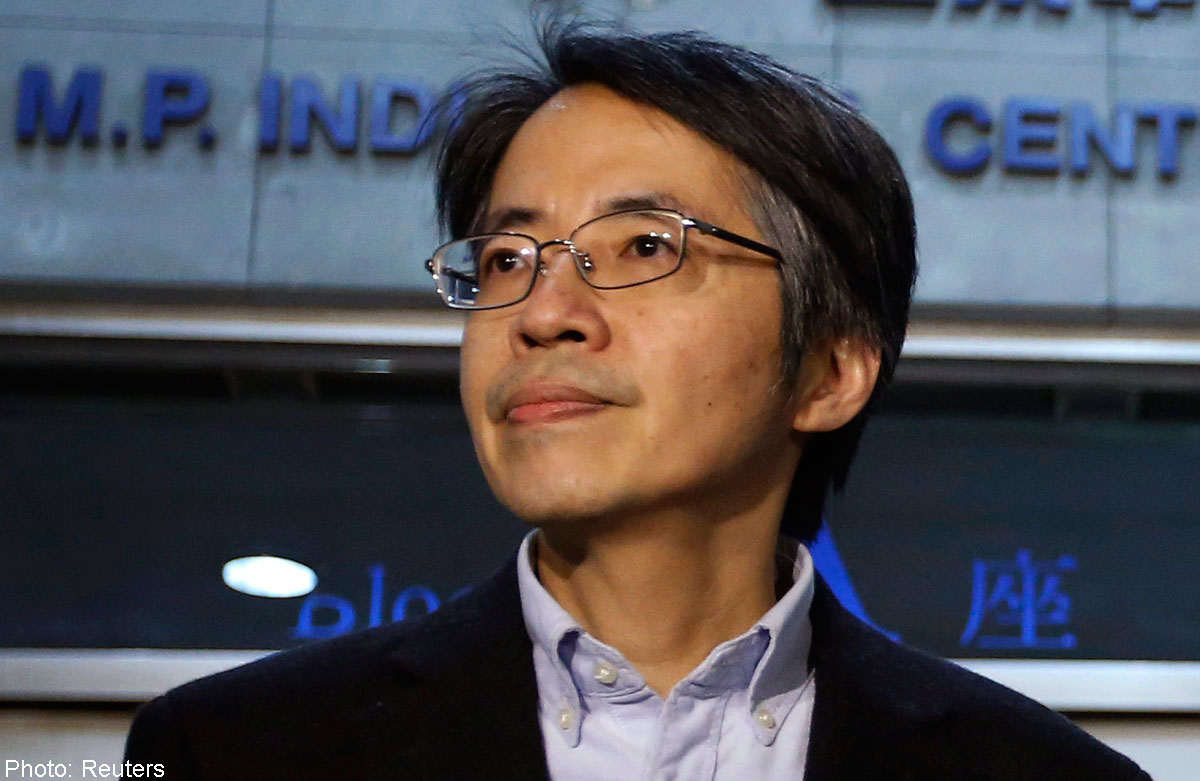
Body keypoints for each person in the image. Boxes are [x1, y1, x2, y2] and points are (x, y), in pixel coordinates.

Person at [125, 24, 1148, 780]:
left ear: (830, 370)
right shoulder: (228, 751)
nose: (543, 314)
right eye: (507, 258)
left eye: (645, 246)